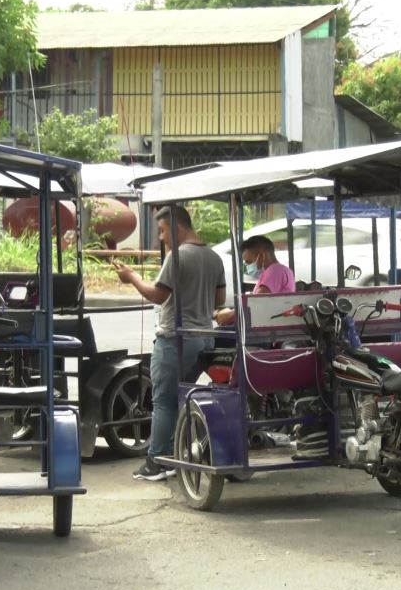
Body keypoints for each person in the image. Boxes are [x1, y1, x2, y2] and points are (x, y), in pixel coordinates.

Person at [115, 205, 225, 481]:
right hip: (203, 340)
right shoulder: (214, 257)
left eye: (162, 231)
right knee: (181, 399)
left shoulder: (178, 256)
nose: (161, 238)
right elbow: (219, 301)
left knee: (163, 401)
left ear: (176, 228)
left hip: (175, 341)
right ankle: (175, 455)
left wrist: (132, 278)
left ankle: (157, 461)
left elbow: (158, 295)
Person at [214, 234, 295, 326]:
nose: (248, 267)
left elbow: (255, 304)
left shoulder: (274, 271)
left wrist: (225, 316)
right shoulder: (283, 270)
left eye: (249, 262)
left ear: (261, 255)